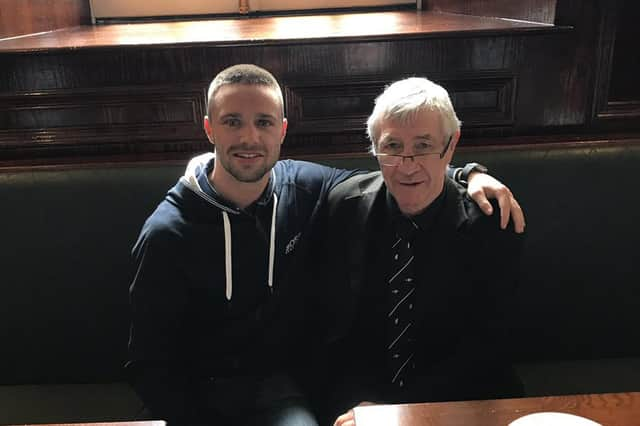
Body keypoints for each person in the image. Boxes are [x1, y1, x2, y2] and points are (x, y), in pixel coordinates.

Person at [125, 64, 525, 426]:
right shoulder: (167, 232)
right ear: (210, 129)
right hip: (201, 398)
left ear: (281, 130)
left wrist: (466, 175)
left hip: (282, 393)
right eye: (233, 122)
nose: (249, 137)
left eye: (263, 122)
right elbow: (149, 364)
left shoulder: (305, 188)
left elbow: (492, 344)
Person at [324, 77, 525, 426]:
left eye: (423, 145)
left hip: (464, 402)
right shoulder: (344, 207)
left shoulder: (493, 224)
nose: (407, 164)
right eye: (392, 146)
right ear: (374, 149)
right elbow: (333, 331)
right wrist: (358, 406)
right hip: (364, 403)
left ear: (450, 146)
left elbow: (489, 347)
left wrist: (406, 413)